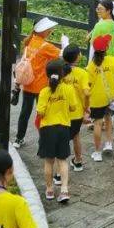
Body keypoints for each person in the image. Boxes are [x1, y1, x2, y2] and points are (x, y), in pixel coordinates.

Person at [15, 17, 61, 147]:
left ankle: (19, 139)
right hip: (41, 86)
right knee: (43, 113)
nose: (50, 31)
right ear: (42, 31)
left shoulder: (30, 42)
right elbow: (63, 54)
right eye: (48, 29)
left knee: (25, 112)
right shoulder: (46, 46)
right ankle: (44, 139)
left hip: (28, 84)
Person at [37, 60, 74, 205]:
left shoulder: (44, 92)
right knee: (63, 160)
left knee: (49, 161)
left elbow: (40, 111)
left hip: (47, 129)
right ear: (62, 74)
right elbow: (72, 107)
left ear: (47, 74)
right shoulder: (68, 89)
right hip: (63, 127)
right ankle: (64, 189)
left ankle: (49, 189)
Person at [86, 33, 114, 162]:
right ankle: (109, 144)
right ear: (106, 48)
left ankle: (97, 152)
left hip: (97, 99)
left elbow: (88, 84)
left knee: (97, 124)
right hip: (111, 96)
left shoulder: (91, 66)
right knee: (109, 119)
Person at [62, 44, 89, 173]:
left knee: (62, 138)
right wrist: (87, 109)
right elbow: (87, 93)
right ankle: (78, 161)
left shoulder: (60, 71)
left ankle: (60, 168)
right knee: (76, 135)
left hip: (62, 111)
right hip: (77, 112)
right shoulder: (82, 73)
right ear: (78, 57)